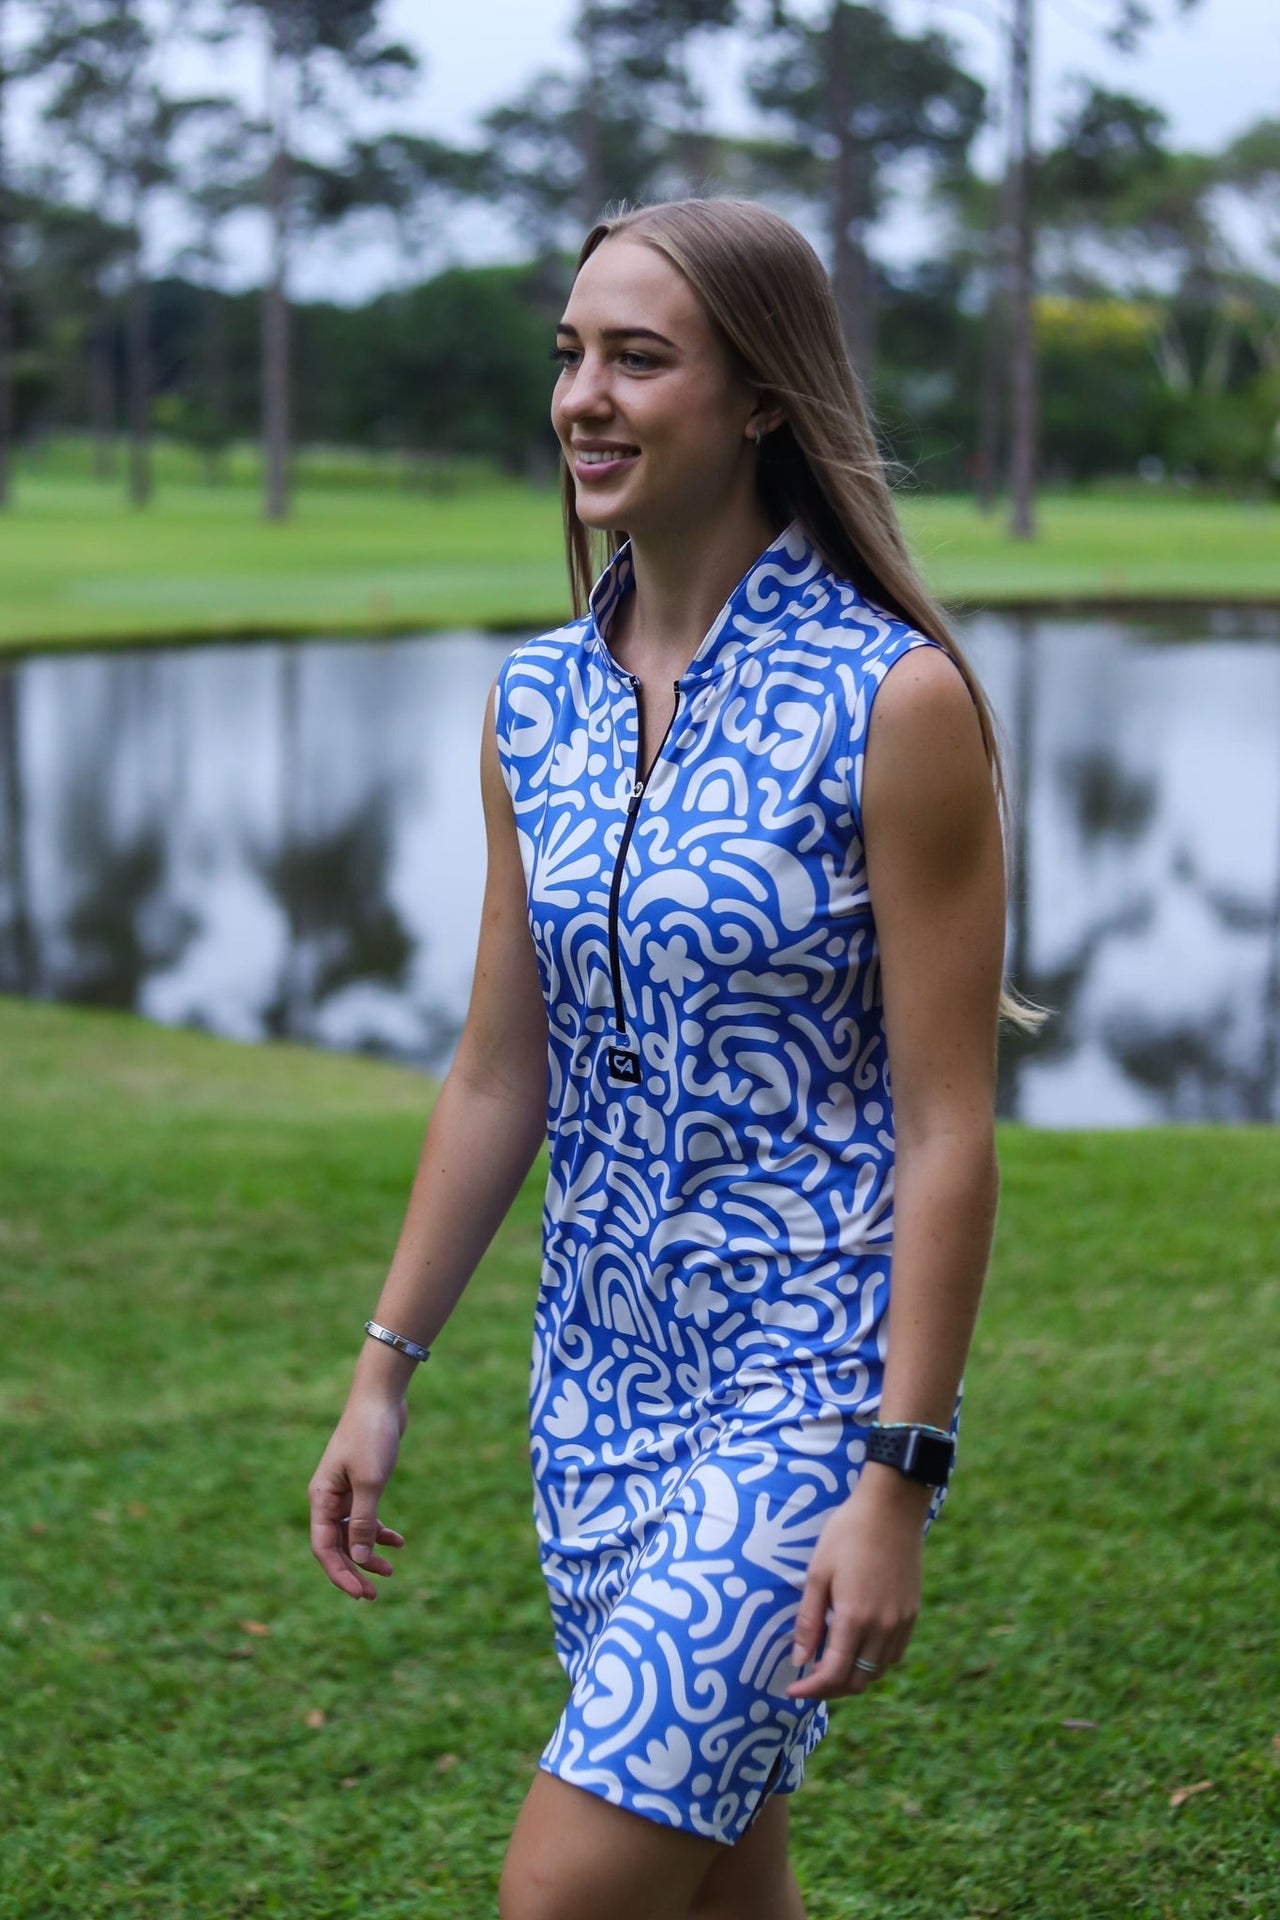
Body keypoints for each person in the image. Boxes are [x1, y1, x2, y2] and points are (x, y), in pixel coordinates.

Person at [309, 196, 1022, 1920]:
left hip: (810, 1383)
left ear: (764, 396)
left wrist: (898, 1472)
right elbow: (503, 1073)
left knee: (564, 1893)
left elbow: (947, 1131)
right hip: (597, 1390)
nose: (585, 397)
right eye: (572, 354)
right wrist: (385, 1369)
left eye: (640, 358)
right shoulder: (533, 704)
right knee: (720, 1888)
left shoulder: (895, 702)